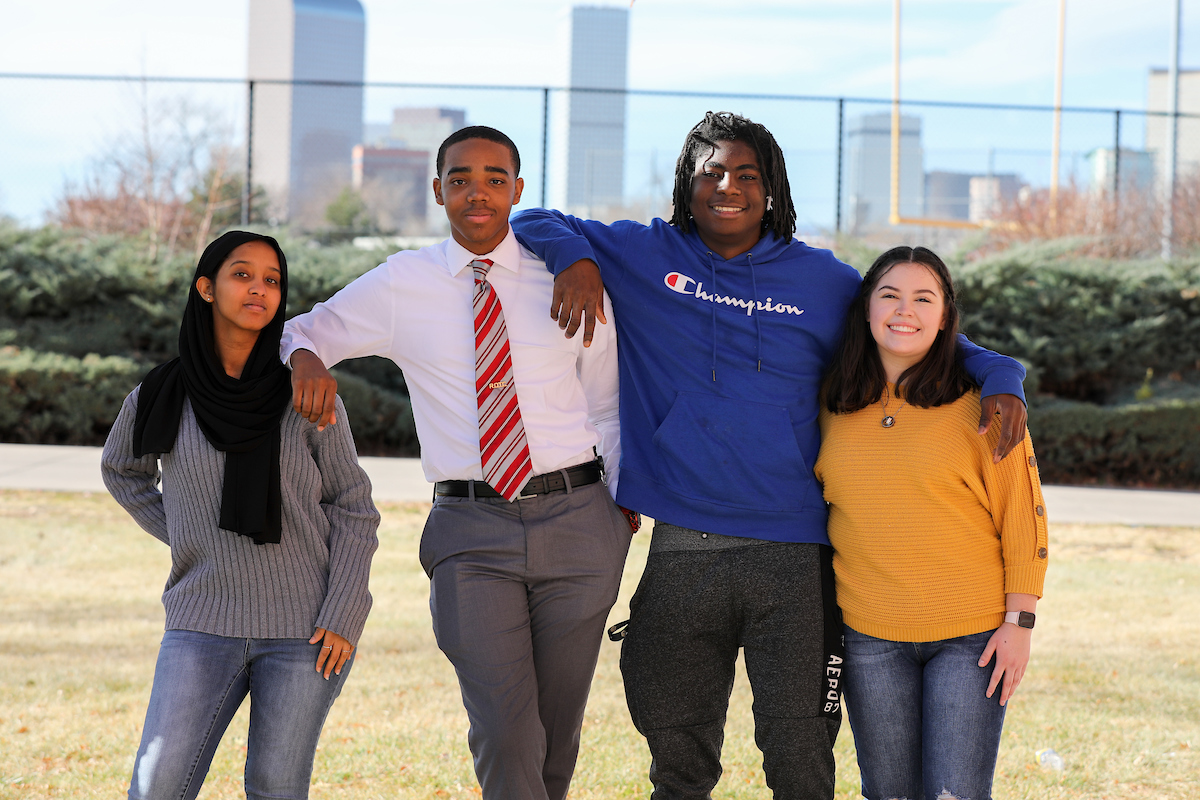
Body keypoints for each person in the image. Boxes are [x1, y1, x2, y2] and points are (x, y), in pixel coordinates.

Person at [510, 111, 1030, 800]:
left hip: (795, 554)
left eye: (747, 175)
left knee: (800, 758)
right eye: (712, 172)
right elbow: (531, 218)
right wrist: (575, 259)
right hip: (682, 543)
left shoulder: (822, 280)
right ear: (686, 184)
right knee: (676, 753)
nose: (729, 186)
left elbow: (911, 330)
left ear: (772, 189)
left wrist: (1002, 376)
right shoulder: (643, 254)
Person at [283, 126, 631, 800]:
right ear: (438, 189)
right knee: (505, 731)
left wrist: (616, 511)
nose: (479, 192)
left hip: (579, 523)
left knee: (555, 735)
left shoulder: (568, 282)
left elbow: (608, 405)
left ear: (518, 192)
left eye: (496, 179)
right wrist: (302, 359)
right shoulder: (400, 284)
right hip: (470, 536)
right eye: (462, 178)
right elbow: (305, 332)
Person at [101, 231, 380, 800]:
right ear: (206, 287)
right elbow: (122, 471)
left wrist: (346, 609)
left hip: (305, 632)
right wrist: (187, 531)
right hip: (199, 622)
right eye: (242, 274)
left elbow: (354, 506)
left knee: (276, 788)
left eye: (272, 280)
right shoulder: (161, 392)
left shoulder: (307, 391)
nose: (259, 288)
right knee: (157, 785)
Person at [814, 245, 1048, 800]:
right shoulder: (828, 402)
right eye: (890, 295)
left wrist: (1020, 623)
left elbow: (1024, 516)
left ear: (945, 317)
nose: (905, 311)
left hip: (972, 638)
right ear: (866, 308)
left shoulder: (987, 405)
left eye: (925, 298)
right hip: (870, 634)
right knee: (887, 793)